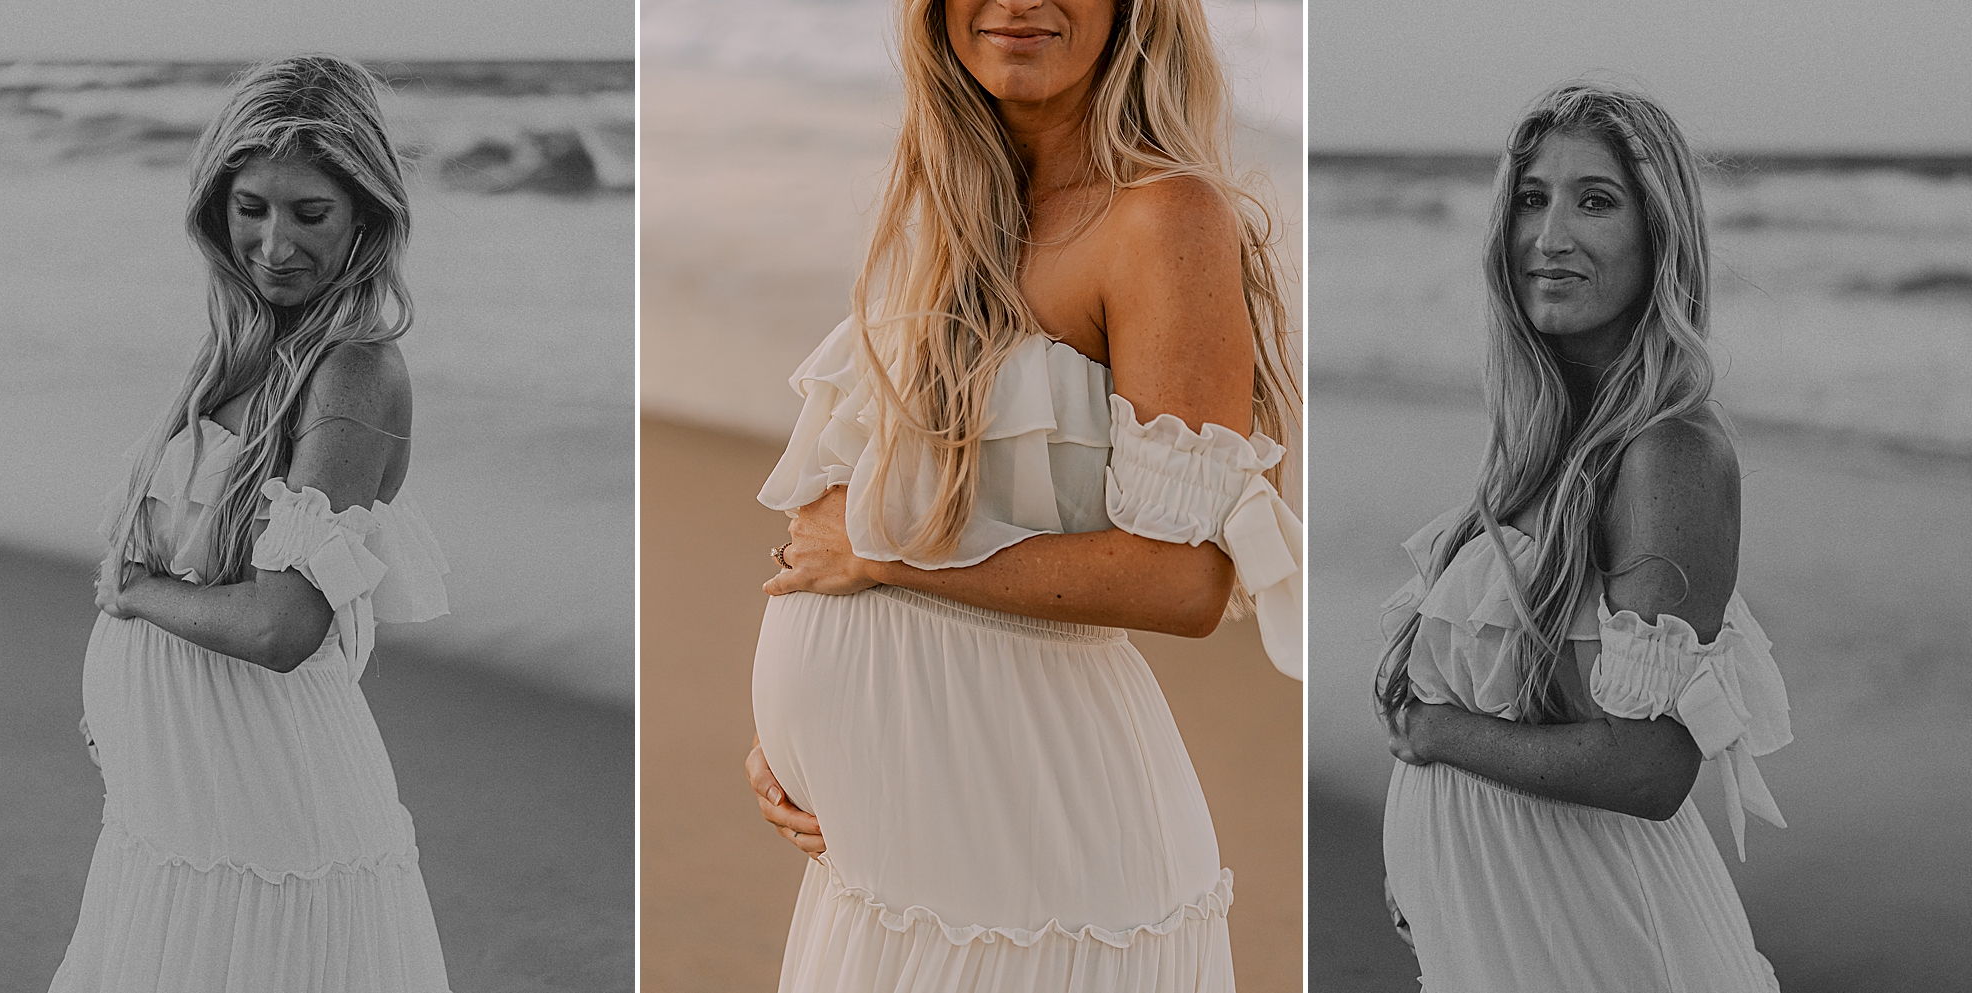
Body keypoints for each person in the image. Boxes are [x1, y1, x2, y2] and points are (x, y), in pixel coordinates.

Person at [738, 0, 1302, 989]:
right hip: (886, 853)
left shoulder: (1161, 218)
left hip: (1039, 848)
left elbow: (1182, 584)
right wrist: (798, 741)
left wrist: (881, 554)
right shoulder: (949, 208)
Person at [1372, 80, 1793, 989]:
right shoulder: (1546, 439)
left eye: (1594, 200)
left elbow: (1651, 767)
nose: (1549, 236)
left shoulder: (1666, 450)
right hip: (1519, 932)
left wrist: (1438, 736)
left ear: (1659, 233)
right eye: (1531, 198)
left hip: (1606, 939)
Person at [51, 55, 452, 991]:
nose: (275, 244)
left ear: (367, 214)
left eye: (310, 213)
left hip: (268, 816)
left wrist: (135, 595)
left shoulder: (352, 369)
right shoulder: (236, 349)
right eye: (251, 208)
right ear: (215, 208)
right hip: (174, 812)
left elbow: (283, 624)